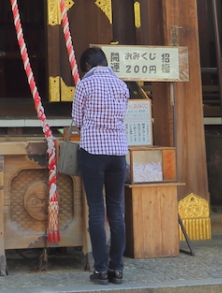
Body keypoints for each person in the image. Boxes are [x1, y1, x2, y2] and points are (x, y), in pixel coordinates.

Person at [71, 46, 129, 285]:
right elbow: (122, 116)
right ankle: (118, 269)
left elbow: (77, 119)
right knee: (116, 209)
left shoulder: (85, 85)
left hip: (93, 151)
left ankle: (101, 270)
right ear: (104, 62)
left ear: (86, 66)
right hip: (118, 152)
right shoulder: (122, 85)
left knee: (96, 209)